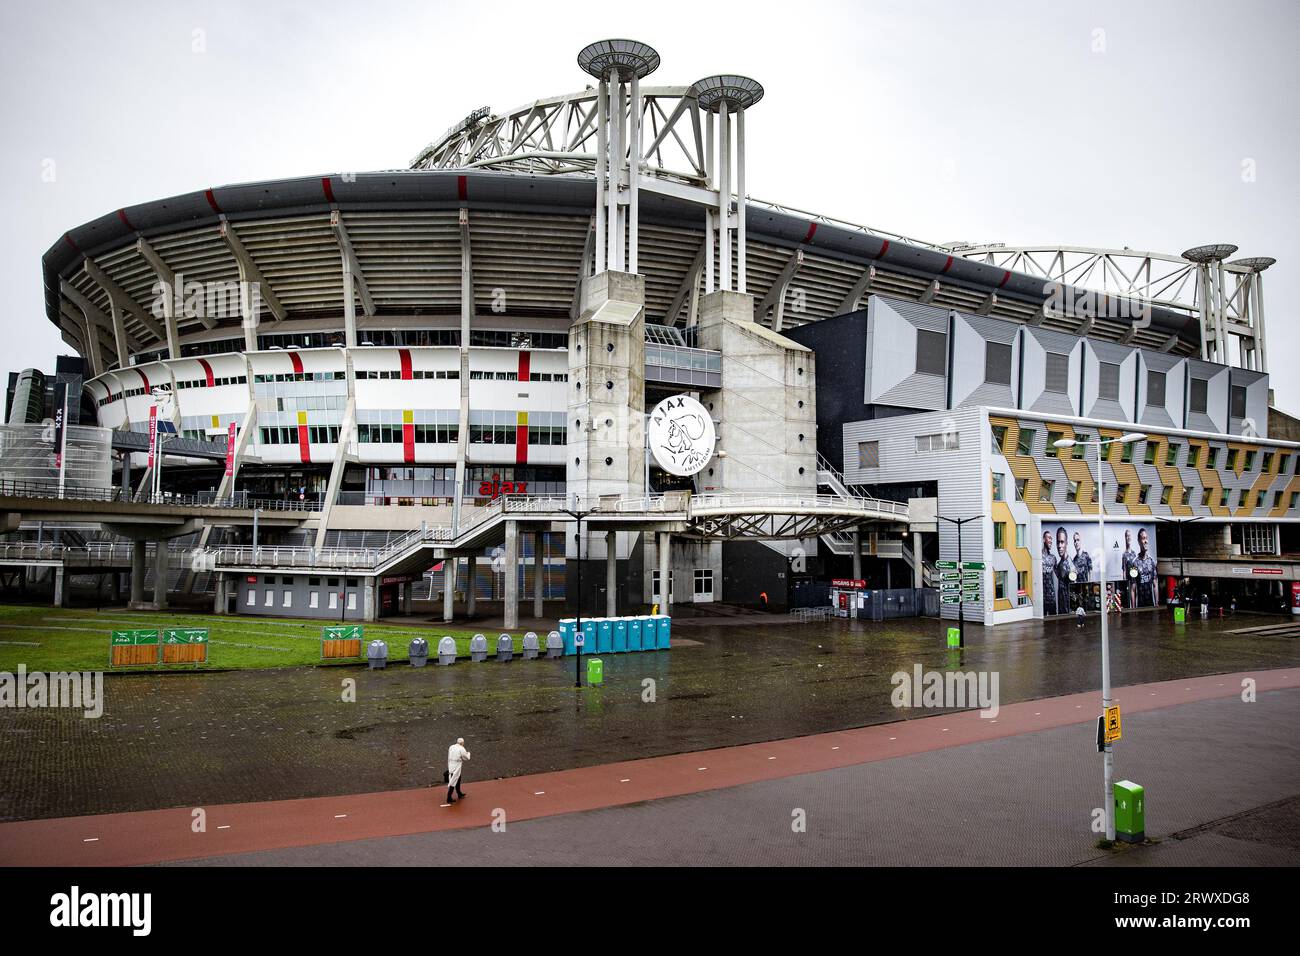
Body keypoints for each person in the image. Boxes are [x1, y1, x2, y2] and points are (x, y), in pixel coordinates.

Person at [445, 737, 471, 804]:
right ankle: (449, 797)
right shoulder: (462, 749)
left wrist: (449, 765)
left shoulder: (451, 746)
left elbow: (448, 756)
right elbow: (466, 758)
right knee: (453, 781)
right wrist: (468, 753)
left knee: (458, 778)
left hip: (451, 764)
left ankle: (459, 793)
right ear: (462, 743)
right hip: (457, 766)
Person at [1041, 530, 1058, 616]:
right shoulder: (1038, 557)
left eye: (1051, 538)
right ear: (1044, 539)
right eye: (1049, 538)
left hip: (1051, 597)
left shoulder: (1053, 558)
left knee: (1053, 620)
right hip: (1042, 597)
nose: (1051, 540)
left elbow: (1059, 574)